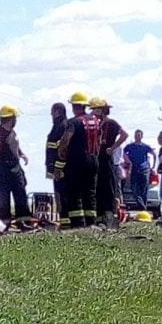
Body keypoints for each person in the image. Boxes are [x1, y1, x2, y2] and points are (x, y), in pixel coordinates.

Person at [57, 91, 100, 228]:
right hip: (93, 160)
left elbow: (65, 140)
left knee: (75, 193)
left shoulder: (73, 122)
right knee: (90, 192)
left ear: (75, 106)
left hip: (77, 162)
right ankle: (91, 222)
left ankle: (78, 224)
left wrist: (61, 152)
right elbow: (98, 141)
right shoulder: (95, 121)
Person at [0, 105, 31, 224]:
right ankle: (4, 223)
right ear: (10, 118)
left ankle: (24, 221)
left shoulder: (12, 132)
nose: (16, 120)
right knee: (3, 196)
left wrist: (22, 154)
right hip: (2, 170)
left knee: (20, 193)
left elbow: (15, 146)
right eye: (14, 118)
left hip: (16, 168)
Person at [90, 97, 128, 227]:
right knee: (97, 188)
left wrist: (113, 148)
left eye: (95, 110)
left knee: (109, 187)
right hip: (96, 159)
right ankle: (99, 216)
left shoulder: (111, 123)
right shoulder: (94, 124)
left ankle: (111, 216)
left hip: (106, 160)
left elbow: (124, 134)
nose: (93, 113)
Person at [45, 102, 69, 228]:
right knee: (59, 194)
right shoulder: (58, 126)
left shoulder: (61, 126)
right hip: (55, 167)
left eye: (52, 111)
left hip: (59, 168)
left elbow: (61, 150)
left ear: (58, 112)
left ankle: (65, 222)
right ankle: (64, 221)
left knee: (62, 195)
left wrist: (57, 167)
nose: (51, 114)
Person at [123, 130, 156, 210]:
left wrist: (153, 167)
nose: (137, 136)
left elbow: (154, 155)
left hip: (144, 170)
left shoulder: (145, 146)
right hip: (134, 170)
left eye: (139, 135)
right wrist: (128, 162)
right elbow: (123, 153)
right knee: (134, 189)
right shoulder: (130, 146)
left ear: (142, 136)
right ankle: (142, 205)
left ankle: (143, 209)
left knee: (144, 190)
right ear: (134, 136)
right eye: (136, 135)